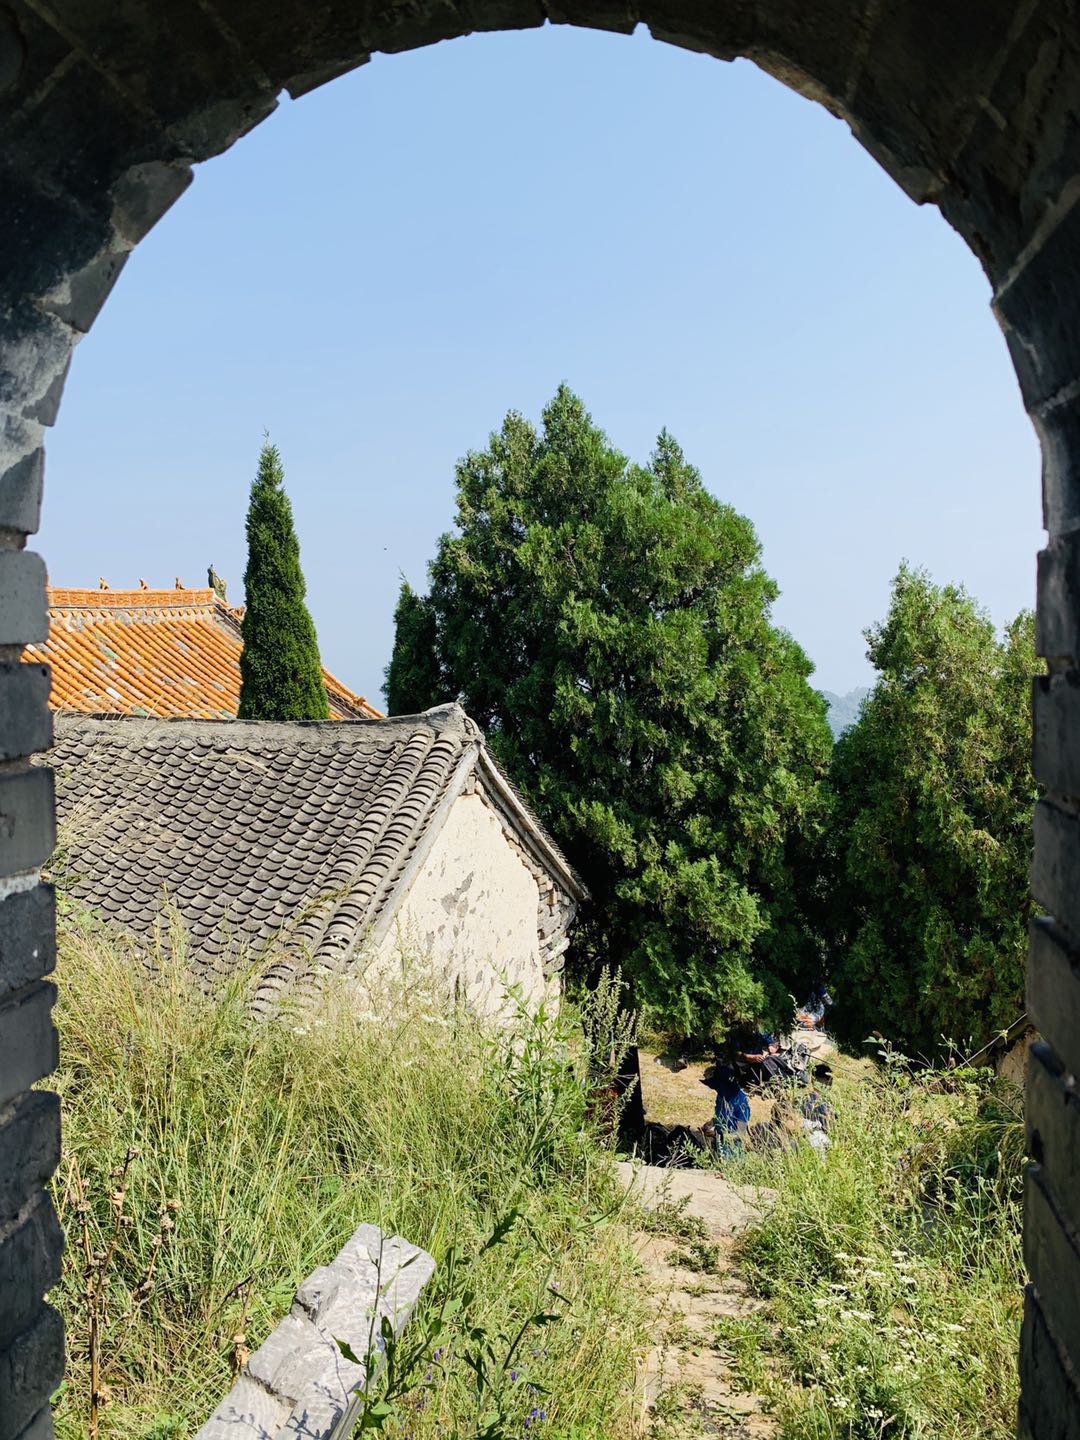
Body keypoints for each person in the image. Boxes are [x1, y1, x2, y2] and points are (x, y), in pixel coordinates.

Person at [702, 1062, 751, 1156]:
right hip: (719, 1145)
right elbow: (720, 1115)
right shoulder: (721, 1096)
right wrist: (712, 1122)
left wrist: (716, 1134)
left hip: (732, 1150)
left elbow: (740, 1132)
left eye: (715, 1086)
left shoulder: (741, 1101)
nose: (715, 1089)